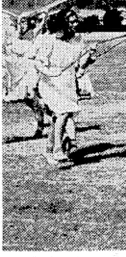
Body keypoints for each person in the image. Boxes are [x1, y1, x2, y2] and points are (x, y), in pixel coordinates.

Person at [33, 10, 96, 165]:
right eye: (71, 21)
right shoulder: (49, 40)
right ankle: (57, 150)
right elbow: (38, 63)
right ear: (63, 23)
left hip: (67, 82)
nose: (75, 24)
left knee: (59, 117)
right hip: (50, 81)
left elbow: (81, 65)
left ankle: (49, 150)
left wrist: (90, 56)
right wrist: (51, 72)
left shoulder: (78, 40)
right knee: (63, 113)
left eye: (75, 21)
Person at [3, 16, 47, 137]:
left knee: (31, 95)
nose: (23, 25)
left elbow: (41, 23)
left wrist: (44, 12)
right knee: (28, 100)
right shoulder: (12, 38)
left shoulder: (33, 35)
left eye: (25, 22)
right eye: (20, 23)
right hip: (18, 72)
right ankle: (43, 115)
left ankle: (41, 124)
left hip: (31, 70)